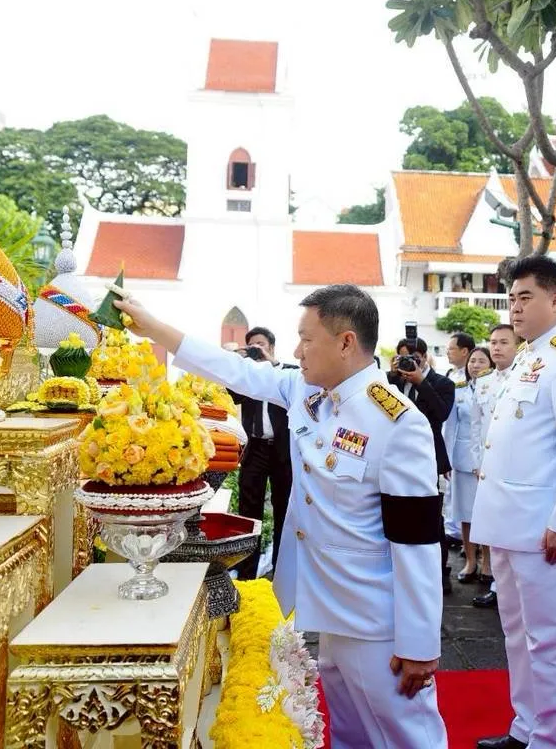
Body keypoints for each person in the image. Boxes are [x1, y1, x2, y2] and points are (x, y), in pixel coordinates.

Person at [113, 285, 449, 748]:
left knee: (407, 735)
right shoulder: (309, 393)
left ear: (346, 342)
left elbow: (417, 542)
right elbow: (238, 370)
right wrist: (154, 328)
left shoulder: (396, 422)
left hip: (378, 621)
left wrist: (419, 643)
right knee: (350, 734)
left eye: (306, 339)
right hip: (326, 605)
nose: (296, 351)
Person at [472, 255, 556, 749]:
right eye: (511, 298)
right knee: (516, 632)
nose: (515, 307)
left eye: (525, 297)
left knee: (548, 639)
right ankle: (525, 726)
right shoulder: (531, 356)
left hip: (544, 526)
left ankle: (551, 739)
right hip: (510, 522)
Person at [388, 337, 457, 594]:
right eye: (403, 358)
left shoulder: (443, 383)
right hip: (396, 458)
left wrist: (420, 382)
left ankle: (440, 572)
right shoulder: (391, 381)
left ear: (425, 357)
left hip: (429, 459)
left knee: (433, 519)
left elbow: (441, 414)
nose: (409, 364)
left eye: (414, 359)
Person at [227, 326, 295, 579]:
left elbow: (296, 386)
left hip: (282, 451)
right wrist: (242, 363)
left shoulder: (286, 373)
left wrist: (270, 362)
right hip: (255, 448)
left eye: (261, 345)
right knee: (249, 512)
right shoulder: (248, 376)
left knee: (283, 510)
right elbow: (232, 395)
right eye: (252, 345)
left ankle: (281, 572)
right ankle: (246, 573)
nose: (257, 349)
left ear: (272, 347)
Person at [472, 323, 519, 610]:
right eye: (493, 342)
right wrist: (478, 463)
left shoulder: (523, 377)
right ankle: (496, 585)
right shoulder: (485, 381)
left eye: (503, 342)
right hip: (488, 468)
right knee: (492, 532)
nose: (496, 347)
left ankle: (510, 587)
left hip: (513, 469)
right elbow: (477, 427)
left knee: (512, 531)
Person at [451, 346, 496, 583]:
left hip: (488, 461)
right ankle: (470, 561)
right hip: (462, 459)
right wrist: (447, 459)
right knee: (465, 514)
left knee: (486, 514)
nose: (475, 365)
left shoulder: (497, 387)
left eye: (481, 361)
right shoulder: (459, 390)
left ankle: (487, 563)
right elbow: (450, 427)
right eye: (472, 361)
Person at [443, 332, 476, 545]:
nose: (447, 353)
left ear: (465, 351)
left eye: (451, 349)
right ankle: (459, 537)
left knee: (476, 506)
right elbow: (451, 424)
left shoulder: (486, 382)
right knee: (459, 503)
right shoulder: (451, 376)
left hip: (479, 456)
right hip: (459, 453)